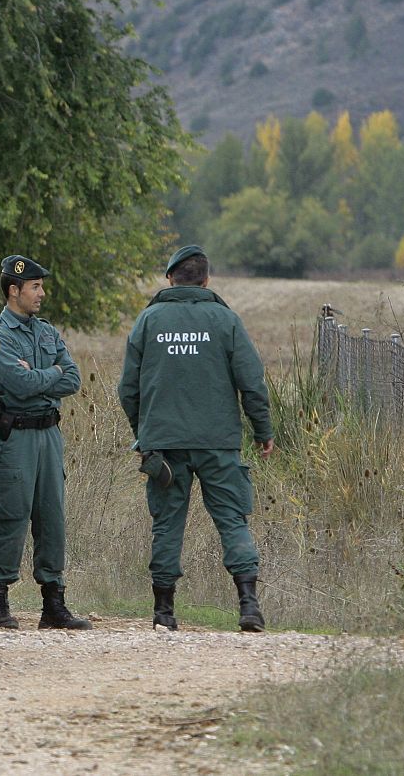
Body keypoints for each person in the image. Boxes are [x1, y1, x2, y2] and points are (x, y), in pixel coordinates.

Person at [117, 245, 274, 633]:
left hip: (165, 445)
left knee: (167, 524)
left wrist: (145, 434)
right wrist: (263, 431)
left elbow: (127, 388)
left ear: (170, 279)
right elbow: (252, 382)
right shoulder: (226, 321)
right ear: (206, 280)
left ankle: (164, 613)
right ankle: (249, 605)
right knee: (232, 520)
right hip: (219, 443)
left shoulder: (148, 321)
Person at [0, 254, 90, 631]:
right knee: (12, 517)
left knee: (52, 517)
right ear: (14, 291)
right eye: (35, 287)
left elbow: (72, 379)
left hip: (49, 434)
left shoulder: (47, 331)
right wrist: (49, 375)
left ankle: (53, 603)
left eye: (41, 286)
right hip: (17, 437)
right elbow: (18, 386)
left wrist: (45, 373)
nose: (41, 294)